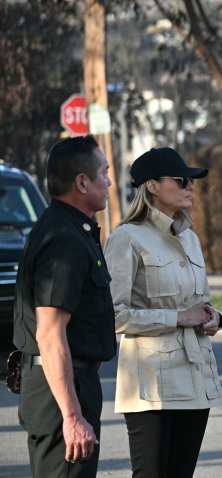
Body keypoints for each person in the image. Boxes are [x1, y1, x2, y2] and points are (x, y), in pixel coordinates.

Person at [103, 147, 222, 477]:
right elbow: (113, 315)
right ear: (152, 186)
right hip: (151, 387)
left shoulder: (190, 239)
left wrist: (213, 317)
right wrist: (177, 318)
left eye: (192, 181)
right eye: (182, 180)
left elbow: (202, 301)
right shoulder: (126, 238)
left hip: (196, 378)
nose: (191, 186)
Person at [13, 135, 115, 478]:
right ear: (82, 182)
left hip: (69, 384)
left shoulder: (71, 230)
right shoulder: (64, 241)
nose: (109, 181)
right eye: (104, 172)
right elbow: (50, 333)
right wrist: (71, 416)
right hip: (61, 393)